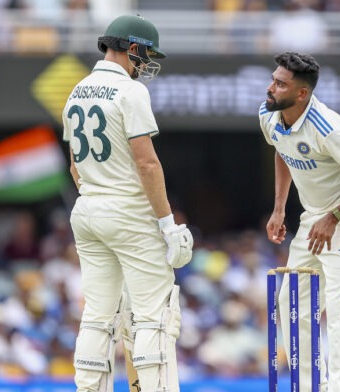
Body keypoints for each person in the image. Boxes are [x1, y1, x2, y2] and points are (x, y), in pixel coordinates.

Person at [62, 14, 193, 392]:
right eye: (146, 53)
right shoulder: (131, 92)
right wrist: (168, 224)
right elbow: (147, 162)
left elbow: (75, 165)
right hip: (127, 213)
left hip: (87, 209)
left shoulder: (77, 90)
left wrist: (99, 196)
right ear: (131, 48)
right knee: (155, 316)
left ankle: (89, 388)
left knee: (98, 316)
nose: (147, 63)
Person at [260, 52, 340, 392]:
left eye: (280, 84)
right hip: (315, 214)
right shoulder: (269, 115)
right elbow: (282, 148)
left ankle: (339, 387)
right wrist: (279, 208)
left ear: (301, 93)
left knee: (338, 306)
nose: (270, 88)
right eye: (273, 79)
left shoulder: (329, 127)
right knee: (291, 302)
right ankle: (307, 386)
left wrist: (334, 217)